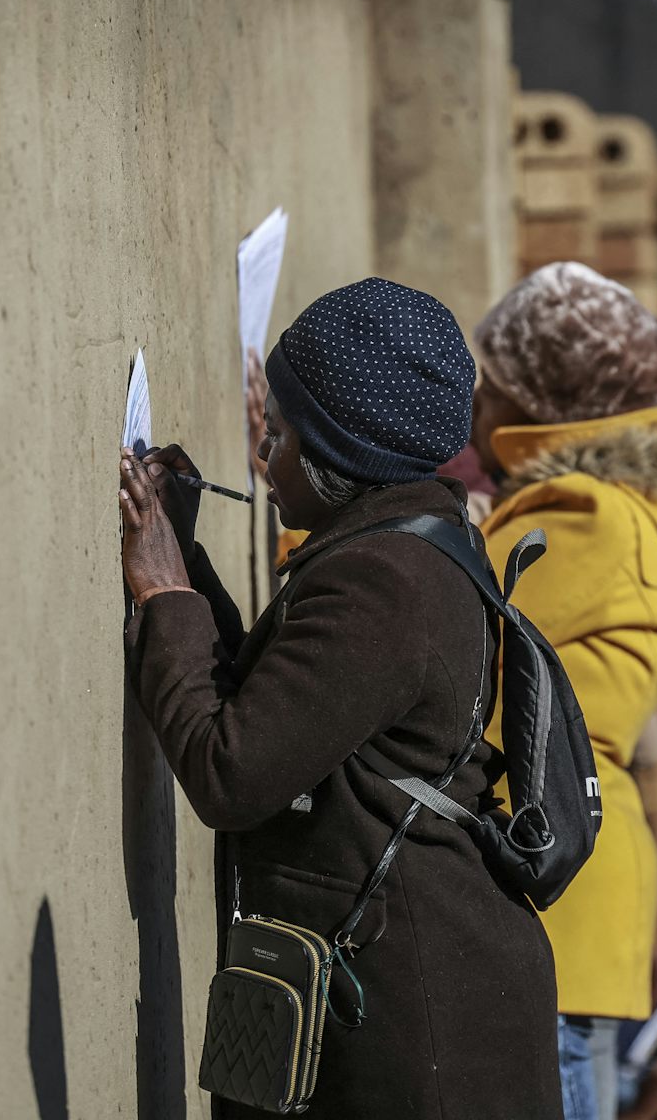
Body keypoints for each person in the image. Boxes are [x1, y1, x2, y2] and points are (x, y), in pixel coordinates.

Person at [118, 278, 561, 1120]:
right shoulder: (404, 545)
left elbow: (233, 770)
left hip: (420, 1027)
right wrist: (185, 563)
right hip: (423, 993)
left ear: (340, 456)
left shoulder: (385, 583)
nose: (262, 457)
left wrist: (164, 597)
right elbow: (288, 698)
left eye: (280, 435)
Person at [471, 261, 657, 1120]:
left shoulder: (584, 514)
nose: (477, 403)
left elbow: (439, 633)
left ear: (538, 401)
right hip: (584, 866)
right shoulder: (636, 507)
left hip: (549, 875)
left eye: (493, 384)